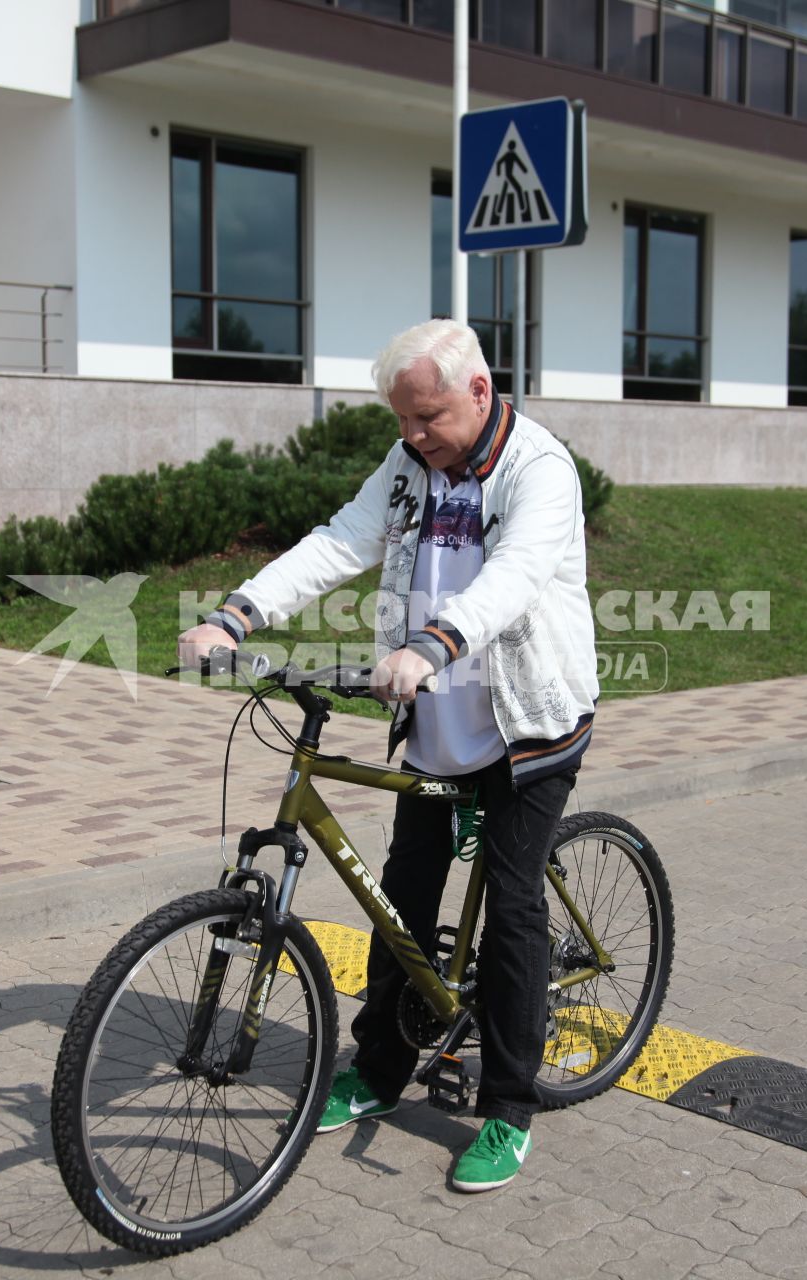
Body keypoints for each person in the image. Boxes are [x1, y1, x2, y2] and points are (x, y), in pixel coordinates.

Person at [176, 318, 598, 1193]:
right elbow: (339, 541)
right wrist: (237, 614)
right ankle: (377, 1072)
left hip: (528, 726)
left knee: (513, 909)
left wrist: (433, 646)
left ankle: (510, 1108)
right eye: (402, 421)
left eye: (428, 417)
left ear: (480, 392)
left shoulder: (539, 470)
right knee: (402, 893)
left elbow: (513, 578)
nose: (412, 436)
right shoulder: (411, 466)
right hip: (441, 722)